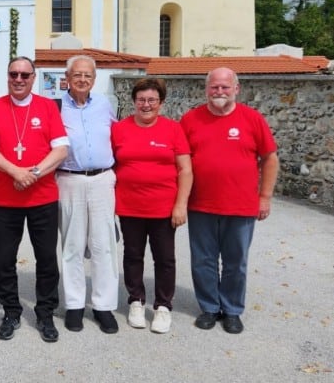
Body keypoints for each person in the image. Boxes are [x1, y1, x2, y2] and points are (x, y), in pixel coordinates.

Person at [180, 67, 279, 334]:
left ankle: (232, 309)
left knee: (236, 261)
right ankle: (210, 307)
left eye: (225, 87)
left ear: (236, 89)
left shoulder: (252, 119)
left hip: (242, 205)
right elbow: (180, 161)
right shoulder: (190, 120)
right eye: (214, 87)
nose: (219, 92)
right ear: (206, 89)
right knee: (203, 260)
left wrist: (265, 197)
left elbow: (270, 158)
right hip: (201, 204)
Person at [0, 56, 69, 343]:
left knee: (46, 259)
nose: (18, 79)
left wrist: (34, 173)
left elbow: (61, 149)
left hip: (42, 197)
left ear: (33, 78)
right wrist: (16, 171)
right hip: (6, 200)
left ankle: (45, 313)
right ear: (8, 77)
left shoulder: (47, 107)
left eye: (24, 75)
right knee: (5, 259)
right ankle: (11, 311)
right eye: (13, 74)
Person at [111, 78, 192, 334]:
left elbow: (186, 170)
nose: (146, 105)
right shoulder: (119, 129)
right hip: (129, 206)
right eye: (141, 100)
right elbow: (109, 164)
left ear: (161, 103)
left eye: (152, 100)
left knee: (165, 259)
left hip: (164, 208)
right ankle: (136, 301)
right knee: (132, 255)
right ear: (133, 102)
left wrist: (181, 205)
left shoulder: (173, 129)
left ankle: (163, 306)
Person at [55, 55, 119, 334]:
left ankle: (104, 306)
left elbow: (118, 135)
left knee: (104, 245)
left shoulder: (106, 104)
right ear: (67, 78)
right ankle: (74, 305)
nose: (82, 79)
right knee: (72, 245)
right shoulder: (54, 107)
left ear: (95, 79)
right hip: (70, 180)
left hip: (103, 179)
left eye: (88, 76)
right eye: (77, 75)